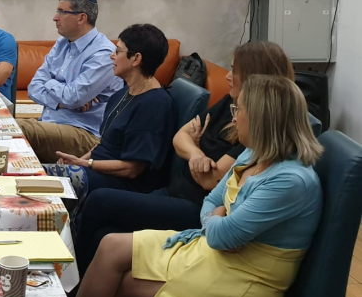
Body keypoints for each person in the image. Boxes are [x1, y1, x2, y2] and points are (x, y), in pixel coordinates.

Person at [72, 75, 323, 297]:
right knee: (111, 245)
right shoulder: (254, 153)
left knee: (117, 286)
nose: (233, 119)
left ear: (262, 119)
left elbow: (221, 236)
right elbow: (212, 201)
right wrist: (218, 216)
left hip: (245, 278)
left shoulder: (290, 180)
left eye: (238, 110)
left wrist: (218, 220)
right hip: (218, 253)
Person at [73, 41, 296, 276]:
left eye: (234, 70)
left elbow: (212, 181)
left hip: (194, 208)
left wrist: (193, 148)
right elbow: (180, 137)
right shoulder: (229, 103)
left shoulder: (256, 127)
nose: (227, 76)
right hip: (174, 192)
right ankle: (73, 284)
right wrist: (196, 154)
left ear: (255, 76)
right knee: (103, 233)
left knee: (99, 201)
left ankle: (72, 287)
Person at [43, 23, 174, 199]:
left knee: (41, 179)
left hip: (122, 184)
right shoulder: (122, 93)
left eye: (118, 51)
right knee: (34, 173)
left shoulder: (154, 105)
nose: (112, 55)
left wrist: (85, 164)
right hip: (96, 170)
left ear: (136, 59)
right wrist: (78, 162)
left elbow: (132, 169)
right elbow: (103, 144)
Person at [17, 0, 122, 163]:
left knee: (16, 129)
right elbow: (34, 87)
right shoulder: (62, 43)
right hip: (51, 122)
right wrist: (62, 102)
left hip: (84, 132)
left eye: (61, 12)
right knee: (2, 126)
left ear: (81, 18)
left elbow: (73, 97)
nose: (55, 18)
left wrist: (50, 83)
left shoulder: (103, 53)